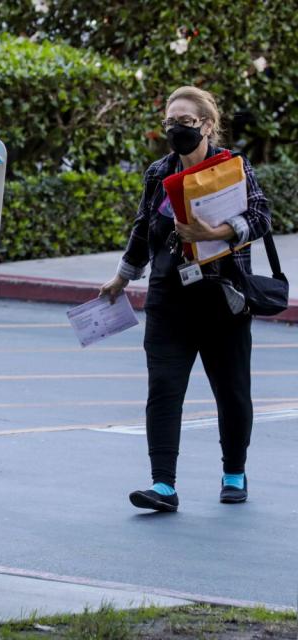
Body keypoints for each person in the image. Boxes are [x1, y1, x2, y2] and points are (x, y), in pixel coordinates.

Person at [100, 86, 272, 512]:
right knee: (163, 389)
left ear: (208, 125)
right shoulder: (159, 172)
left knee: (232, 392)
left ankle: (234, 471)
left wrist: (216, 233)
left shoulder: (232, 167)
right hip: (169, 298)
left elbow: (261, 217)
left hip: (223, 298)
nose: (177, 130)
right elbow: (143, 228)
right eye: (170, 123)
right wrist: (122, 278)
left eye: (186, 122)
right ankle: (163, 485)